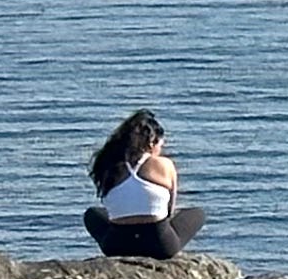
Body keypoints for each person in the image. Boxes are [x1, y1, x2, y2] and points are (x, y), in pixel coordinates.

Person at [83, 108, 206, 259]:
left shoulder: (109, 166)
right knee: (198, 213)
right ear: (152, 142)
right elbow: (169, 210)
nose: (160, 150)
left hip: (116, 244)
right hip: (160, 245)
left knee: (92, 214)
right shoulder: (164, 164)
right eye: (160, 145)